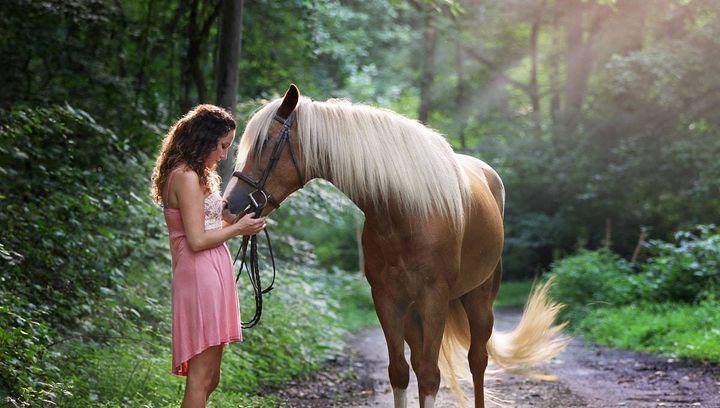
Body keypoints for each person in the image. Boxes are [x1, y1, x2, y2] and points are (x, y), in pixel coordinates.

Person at [150, 104, 265, 408]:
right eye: (223, 145)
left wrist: (243, 221)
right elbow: (197, 240)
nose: (225, 154)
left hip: (214, 270)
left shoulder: (199, 175)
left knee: (211, 377)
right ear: (205, 139)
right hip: (199, 272)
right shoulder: (185, 176)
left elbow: (212, 222)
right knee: (201, 379)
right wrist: (239, 229)